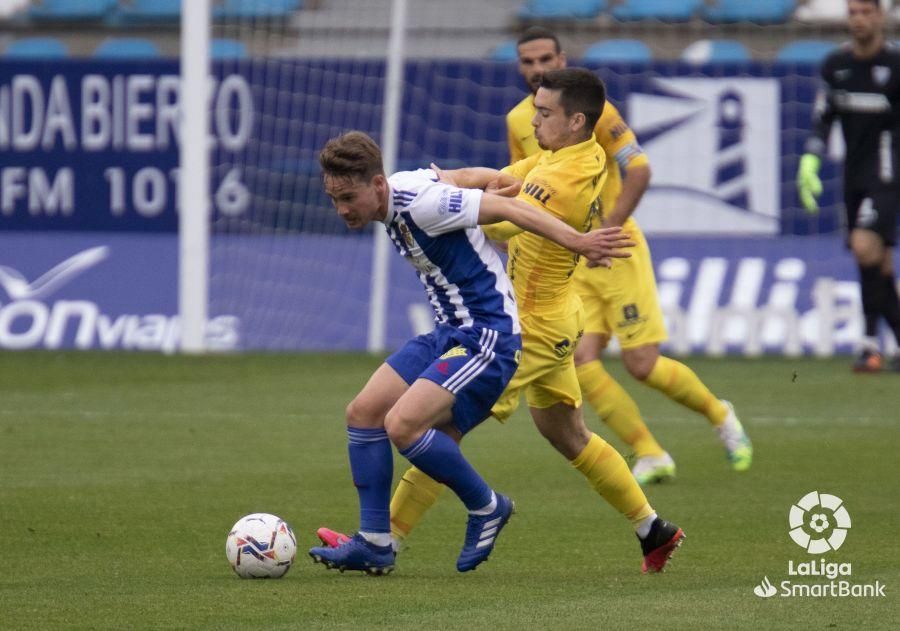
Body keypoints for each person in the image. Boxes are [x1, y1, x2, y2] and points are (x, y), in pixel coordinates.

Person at [320, 69, 685, 575]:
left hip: (527, 326)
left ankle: (385, 538)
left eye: (544, 113)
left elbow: (504, 214)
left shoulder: (567, 176)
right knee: (567, 434)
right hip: (549, 317)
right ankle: (653, 529)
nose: (532, 120)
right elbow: (501, 175)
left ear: (576, 121)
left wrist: (452, 200)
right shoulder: (560, 157)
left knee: (431, 425)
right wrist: (449, 179)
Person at [510, 27, 753, 483]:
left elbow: (639, 169)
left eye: (546, 59)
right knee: (581, 362)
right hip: (570, 255)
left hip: (615, 248)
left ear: (562, 58)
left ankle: (720, 414)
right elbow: (519, 190)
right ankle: (649, 451)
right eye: (528, 61)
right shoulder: (517, 122)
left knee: (641, 364)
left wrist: (608, 228)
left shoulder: (591, 113)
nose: (538, 69)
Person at [797, 0, 900, 372]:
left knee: (863, 246)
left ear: (881, 16)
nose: (858, 19)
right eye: (853, 12)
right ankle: (882, 342)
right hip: (853, 177)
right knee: (878, 262)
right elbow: (823, 120)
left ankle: (869, 344)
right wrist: (811, 157)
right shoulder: (835, 66)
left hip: (888, 174)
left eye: (866, 12)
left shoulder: (896, 66)